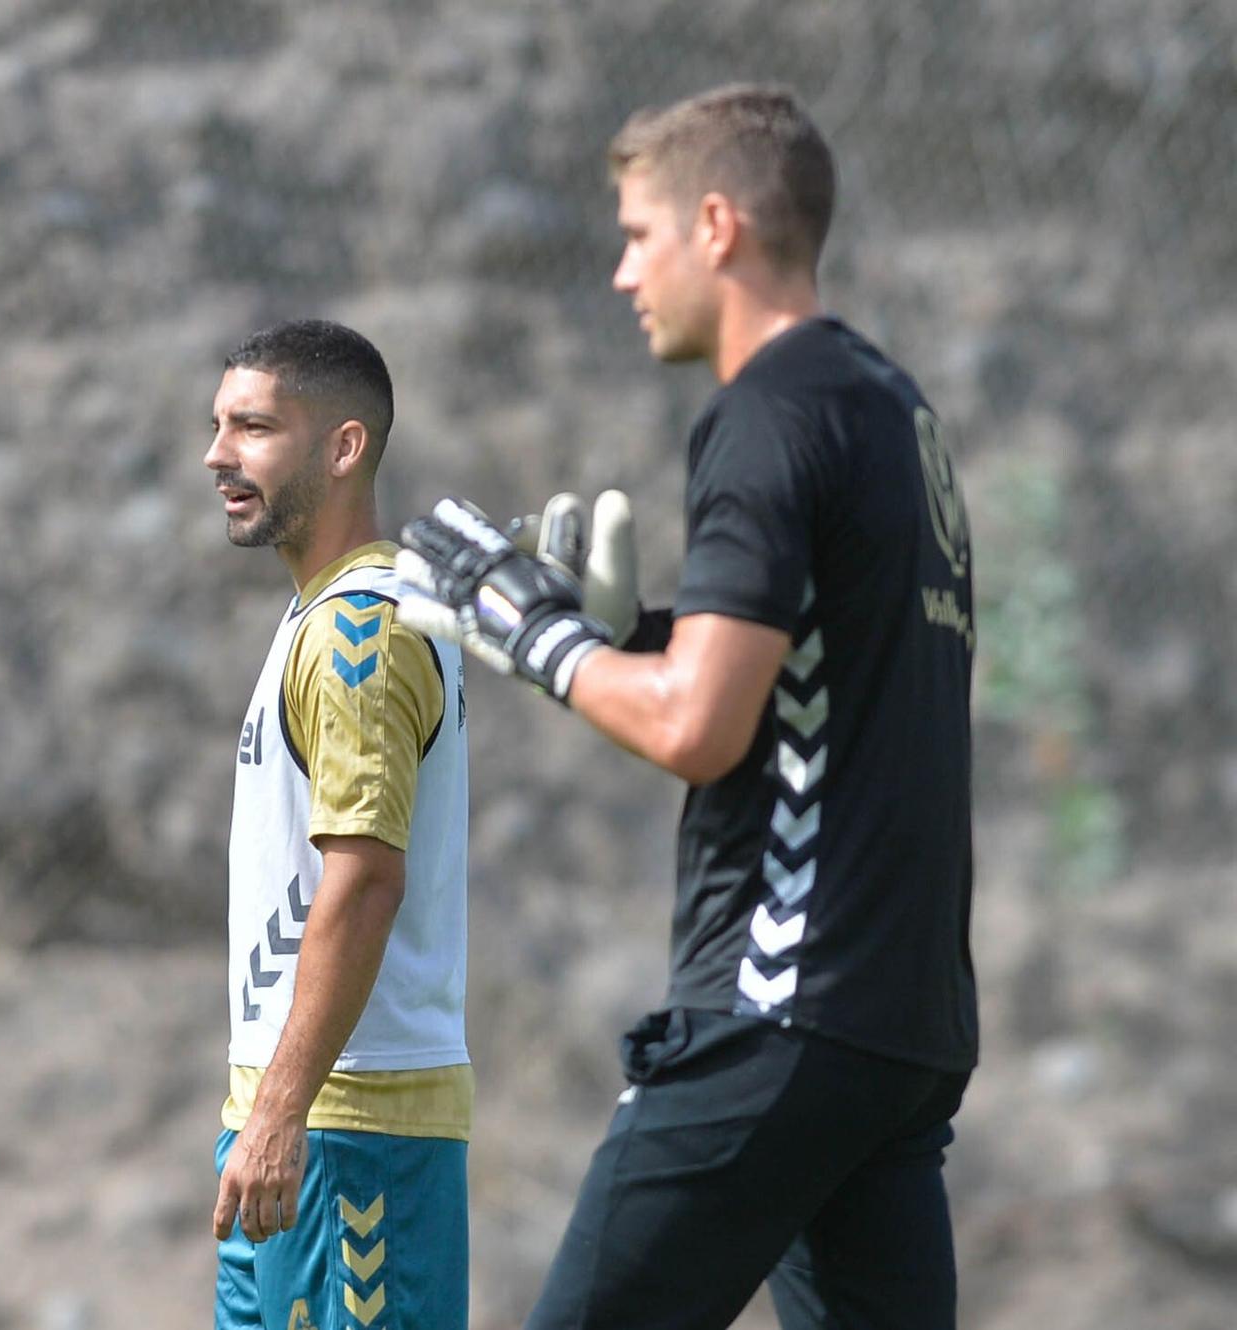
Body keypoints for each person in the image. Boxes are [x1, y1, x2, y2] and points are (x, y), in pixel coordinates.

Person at [396, 85, 978, 1329]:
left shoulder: (764, 410)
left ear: (714, 225)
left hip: (775, 1010)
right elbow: (812, 676)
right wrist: (632, 634)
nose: (619, 274)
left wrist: (531, 634)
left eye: (635, 235)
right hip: (898, 1027)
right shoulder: (889, 407)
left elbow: (695, 726)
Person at [205, 319, 472, 1330]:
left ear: (344, 446)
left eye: (253, 426)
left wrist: (280, 1113)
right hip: (287, 1117)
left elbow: (361, 879)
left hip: (351, 1128)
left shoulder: (359, 627)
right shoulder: (318, 617)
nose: (216, 454)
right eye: (219, 424)